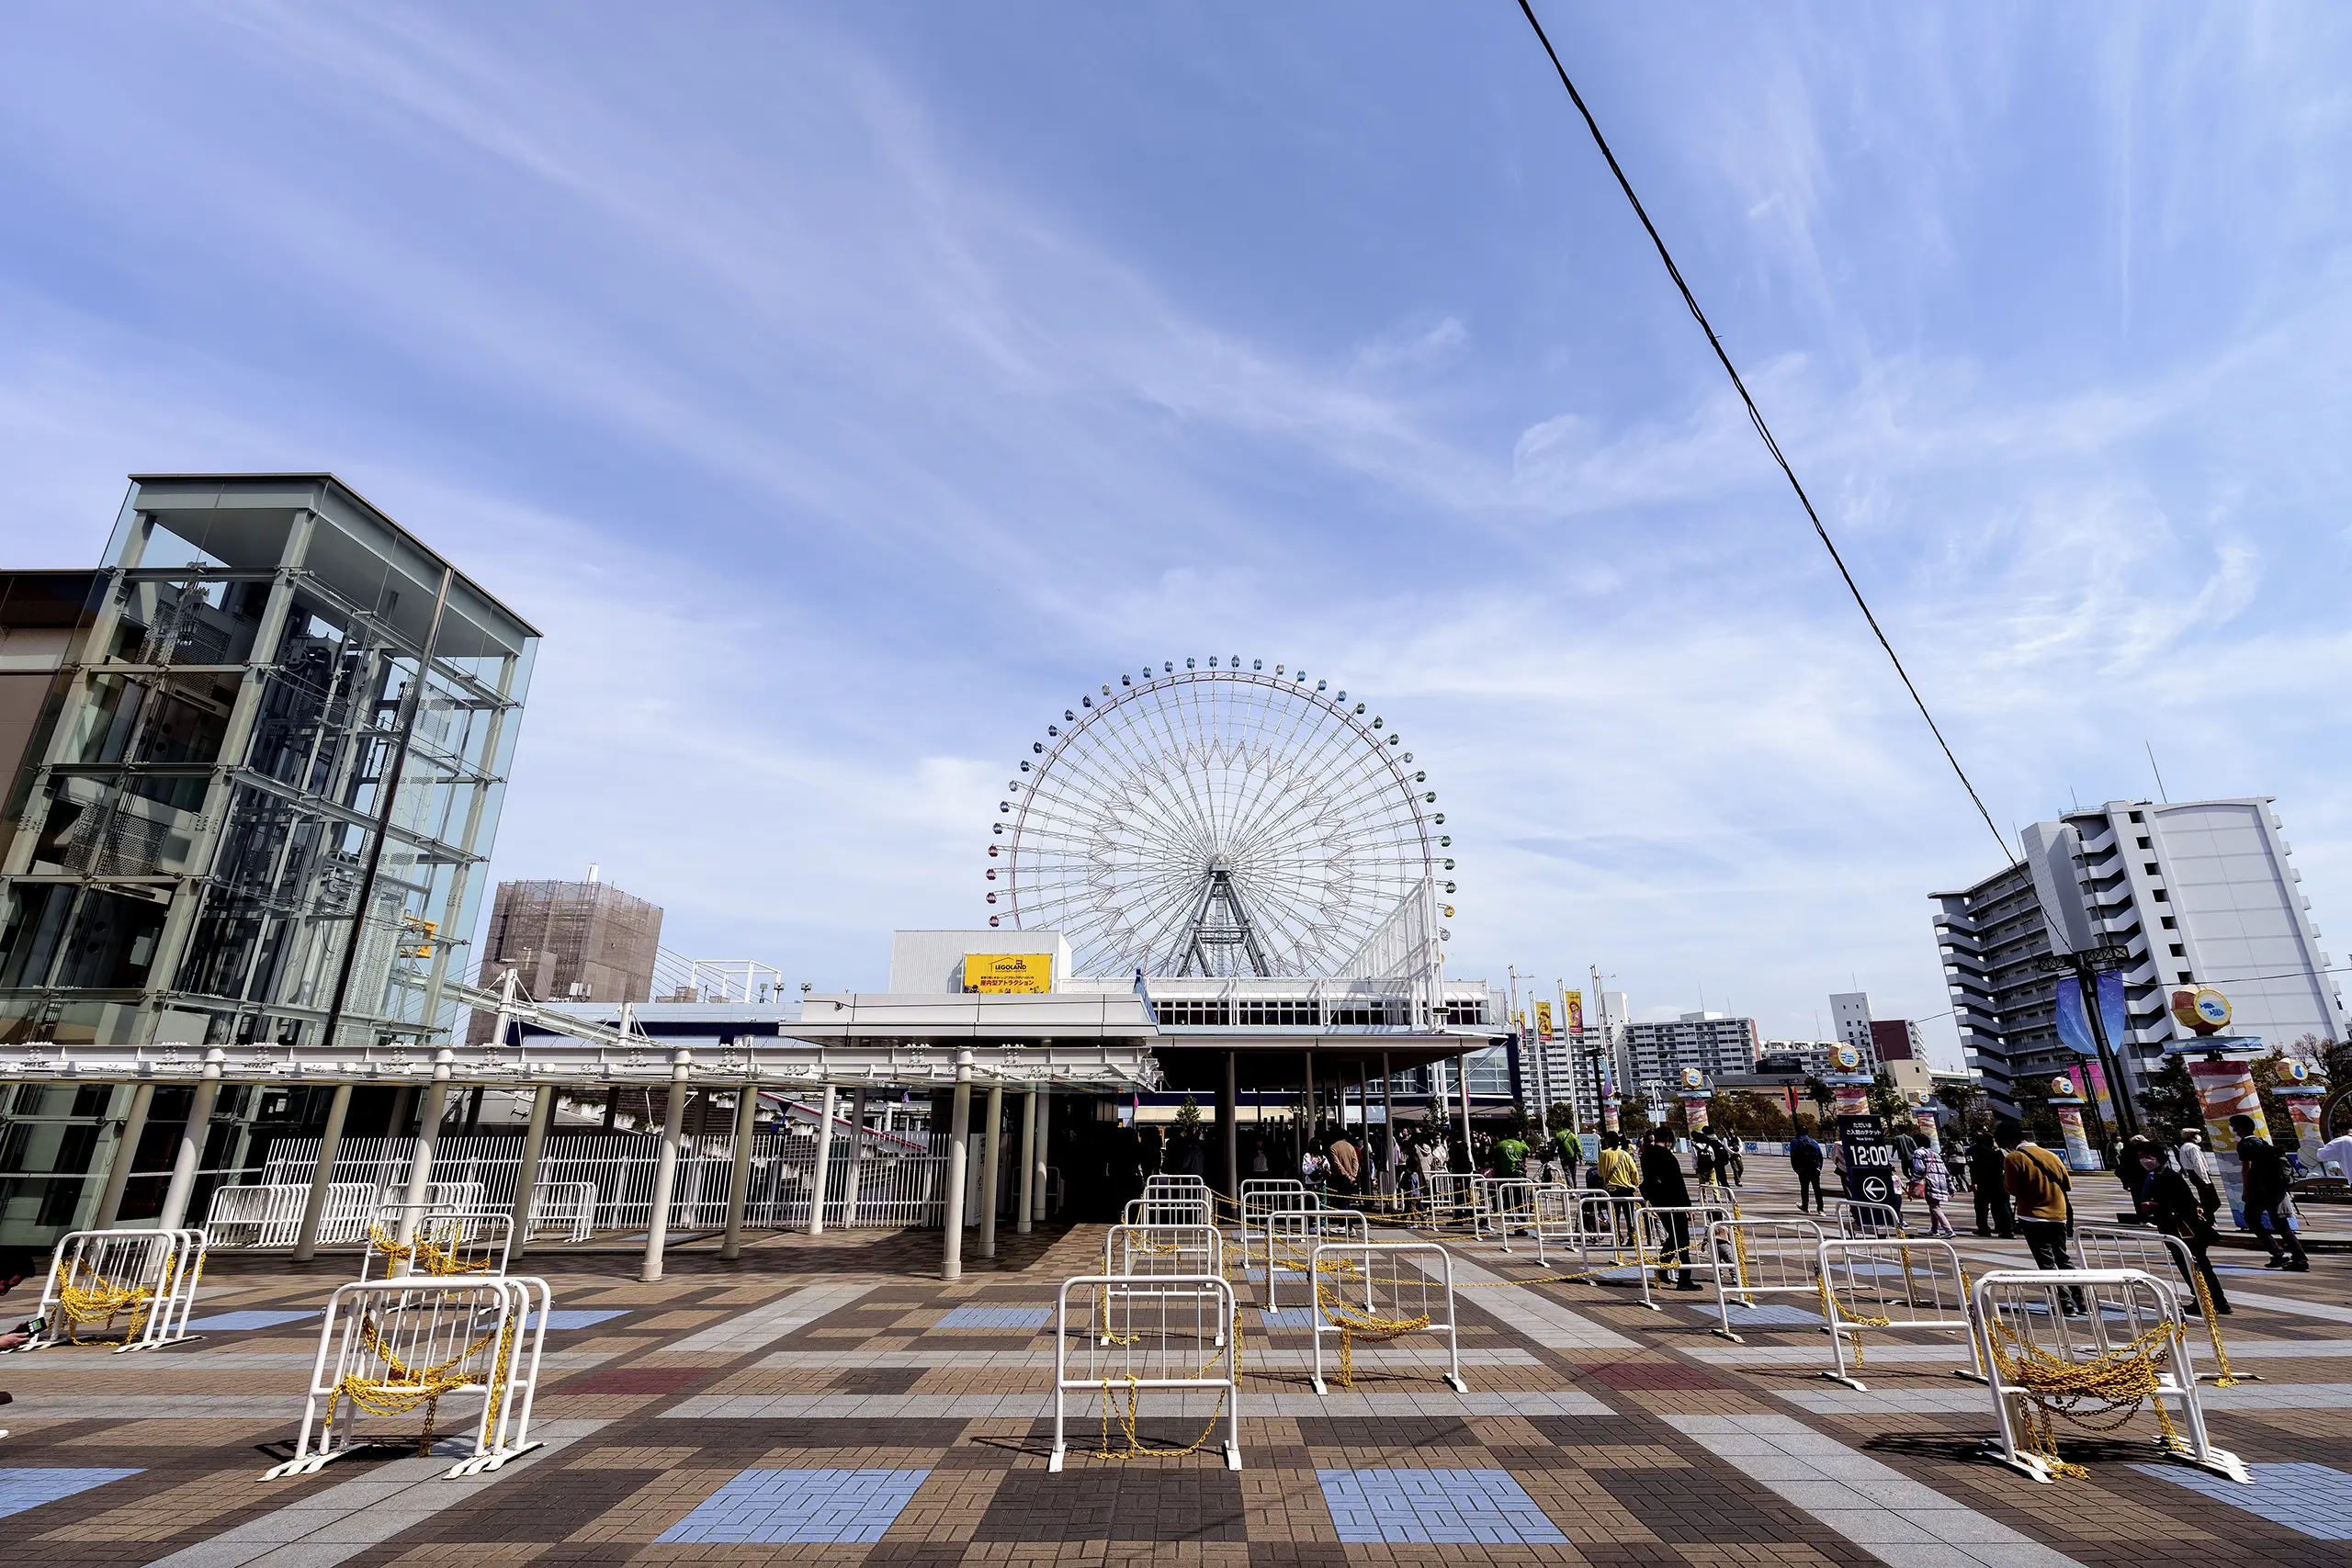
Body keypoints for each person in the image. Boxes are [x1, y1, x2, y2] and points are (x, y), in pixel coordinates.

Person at [2132, 1142, 2231, 1314]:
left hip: (2185, 1230)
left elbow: (2182, 1204)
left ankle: (2206, 1301)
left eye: (2148, 1156)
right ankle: (2215, 1300)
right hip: (2181, 1229)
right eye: (2140, 1157)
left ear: (2159, 1157)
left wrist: (2156, 1206)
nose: (2144, 1160)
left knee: (2193, 1265)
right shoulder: (2159, 1175)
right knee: (2198, 1265)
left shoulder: (2168, 1177)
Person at [2002, 1122, 2084, 1312]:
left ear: (2008, 1141)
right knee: (2063, 1257)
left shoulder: (2014, 1157)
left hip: (2033, 1215)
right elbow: (2067, 1184)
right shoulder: (2051, 1155)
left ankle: (2064, 1301)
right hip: (2059, 1213)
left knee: (2046, 1260)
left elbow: (2012, 1189)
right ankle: (2080, 1298)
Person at [2231, 1114, 2309, 1271]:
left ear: (2240, 1128)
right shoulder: (2262, 1142)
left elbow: (2247, 1169)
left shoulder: (2245, 1144)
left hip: (2259, 1190)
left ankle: (2279, 1254)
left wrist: (2245, 1191)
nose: (2232, 1129)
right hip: (2275, 1188)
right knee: (2281, 1225)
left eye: (2234, 1126)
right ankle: (2298, 1259)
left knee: (2252, 1219)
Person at [1639, 1126, 1699, 1290]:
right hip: (1673, 1201)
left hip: (1657, 1201)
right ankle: (1684, 1279)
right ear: (1668, 1140)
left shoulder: (1646, 1154)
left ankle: (1663, 1267)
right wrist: (1688, 1206)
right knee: (1683, 1240)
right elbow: (1678, 1183)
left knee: (1674, 1236)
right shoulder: (1668, 1157)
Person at [1970, 1132, 2015, 1237]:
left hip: (1982, 1183)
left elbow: (1973, 1168)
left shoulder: (1974, 1150)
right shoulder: (1997, 1152)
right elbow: (2004, 1168)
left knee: (1981, 1207)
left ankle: (1983, 1228)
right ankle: (2006, 1230)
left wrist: (1974, 1182)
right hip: (1998, 1183)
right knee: (2001, 1207)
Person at [1914, 1138, 1956, 1238]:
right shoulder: (1935, 1154)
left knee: (1934, 1207)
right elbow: (1946, 1172)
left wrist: (1915, 1181)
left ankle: (1948, 1230)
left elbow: (1919, 1169)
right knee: (1934, 1205)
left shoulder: (1918, 1153)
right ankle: (1934, 1229)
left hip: (1930, 1183)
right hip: (1941, 1183)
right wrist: (1951, 1187)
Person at [1788, 1128, 1825, 1213]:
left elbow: (1793, 1156)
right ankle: (1820, 1209)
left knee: (1804, 1188)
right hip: (1814, 1169)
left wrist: (1796, 1169)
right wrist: (1819, 1168)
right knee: (1817, 1189)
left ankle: (1805, 1206)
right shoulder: (1813, 1141)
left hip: (1803, 1169)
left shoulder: (1795, 1141)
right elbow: (1820, 1156)